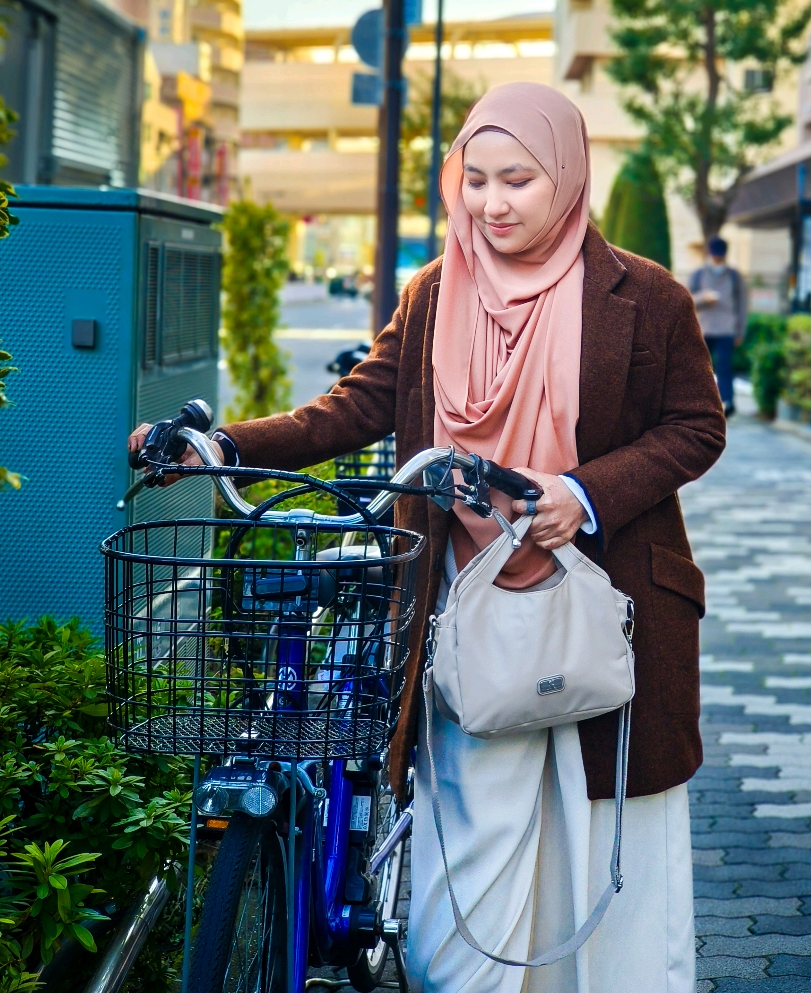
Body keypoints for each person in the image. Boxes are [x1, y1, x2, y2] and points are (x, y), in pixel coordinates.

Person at [130, 83, 725, 992]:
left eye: (518, 180)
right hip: (463, 618)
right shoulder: (436, 291)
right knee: (464, 876)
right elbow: (357, 404)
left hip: (606, 613)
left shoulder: (645, 297)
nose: (493, 204)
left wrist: (585, 493)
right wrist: (224, 446)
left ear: (564, 176)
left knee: (614, 853)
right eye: (476, 180)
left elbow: (695, 426)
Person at [690, 236, 748, 418]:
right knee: (701, 368)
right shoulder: (698, 274)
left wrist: (740, 331)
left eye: (720, 256)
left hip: (726, 329)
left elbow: (743, 305)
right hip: (704, 328)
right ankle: (699, 404)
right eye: (715, 256)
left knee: (724, 368)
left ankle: (728, 404)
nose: (717, 259)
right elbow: (686, 299)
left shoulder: (734, 276)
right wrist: (703, 298)